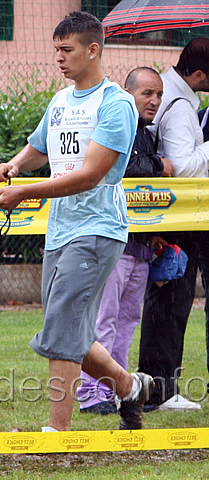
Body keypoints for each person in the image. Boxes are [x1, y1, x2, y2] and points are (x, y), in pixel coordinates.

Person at [0, 11, 152, 432]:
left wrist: (24, 192)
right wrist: (16, 165)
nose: (59, 59)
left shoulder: (116, 104)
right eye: (56, 50)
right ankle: (129, 386)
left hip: (98, 230)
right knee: (68, 326)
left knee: (62, 323)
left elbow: (91, 174)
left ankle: (56, 432)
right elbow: (40, 146)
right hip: (60, 229)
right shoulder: (61, 99)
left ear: (92, 49)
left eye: (67, 50)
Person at [77, 67, 172, 415]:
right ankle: (91, 394)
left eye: (159, 95)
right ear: (128, 92)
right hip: (113, 243)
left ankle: (122, 391)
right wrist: (158, 165)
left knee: (128, 322)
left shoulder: (146, 133)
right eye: (147, 93)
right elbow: (127, 170)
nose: (155, 101)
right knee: (103, 320)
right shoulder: (118, 123)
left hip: (142, 247)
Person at [138, 38, 209, 412]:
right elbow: (181, 166)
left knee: (164, 300)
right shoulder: (181, 109)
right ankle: (160, 390)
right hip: (178, 215)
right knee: (171, 302)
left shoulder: (169, 96)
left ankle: (156, 385)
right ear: (197, 74)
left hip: (164, 215)